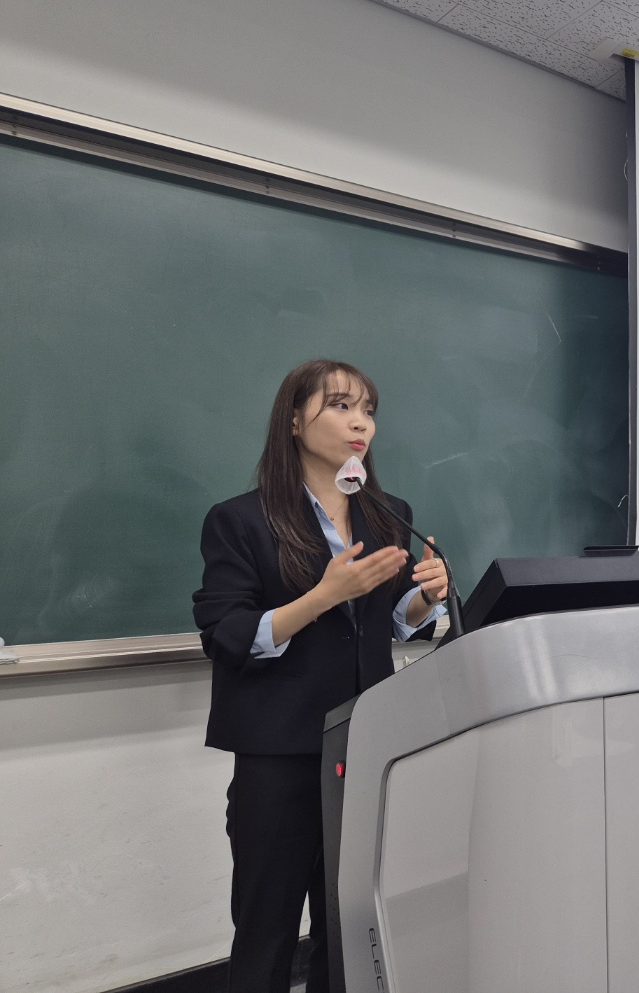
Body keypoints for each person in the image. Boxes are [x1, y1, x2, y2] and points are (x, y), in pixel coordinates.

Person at [192, 359, 448, 993]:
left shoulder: (390, 513)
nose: (360, 421)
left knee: (349, 927)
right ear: (295, 418)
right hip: (278, 755)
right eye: (340, 405)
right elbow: (226, 637)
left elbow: (386, 621)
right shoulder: (241, 519)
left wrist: (424, 599)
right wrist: (321, 597)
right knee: (266, 930)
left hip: (365, 746)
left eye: (369, 410)